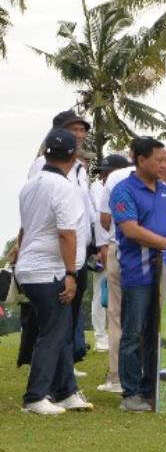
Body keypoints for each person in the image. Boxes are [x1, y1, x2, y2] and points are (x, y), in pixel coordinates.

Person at [110, 137, 166, 412]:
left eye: (165, 159)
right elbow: (130, 230)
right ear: (140, 160)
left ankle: (150, 388)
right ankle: (131, 393)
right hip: (137, 272)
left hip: (165, 273)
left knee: (156, 332)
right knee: (133, 332)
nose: (163, 164)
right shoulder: (124, 190)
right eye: (158, 159)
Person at [15, 128, 89, 414]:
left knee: (56, 330)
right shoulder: (64, 188)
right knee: (54, 332)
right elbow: (67, 234)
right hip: (50, 270)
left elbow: (25, 230)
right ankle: (35, 397)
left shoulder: (31, 185)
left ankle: (66, 391)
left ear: (46, 152)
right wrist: (71, 274)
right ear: (73, 156)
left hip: (32, 267)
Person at [29, 111, 96, 373]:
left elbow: (86, 207)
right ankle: (54, 372)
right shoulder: (42, 166)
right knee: (56, 318)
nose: (79, 135)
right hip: (57, 252)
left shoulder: (80, 168)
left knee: (72, 314)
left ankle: (64, 367)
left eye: (82, 130)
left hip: (80, 249)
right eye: (74, 130)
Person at [90, 154, 130, 354]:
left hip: (115, 245)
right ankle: (100, 335)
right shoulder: (98, 187)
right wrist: (100, 247)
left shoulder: (125, 184)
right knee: (101, 293)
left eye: (107, 172)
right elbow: (99, 218)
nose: (103, 176)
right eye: (103, 172)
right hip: (105, 245)